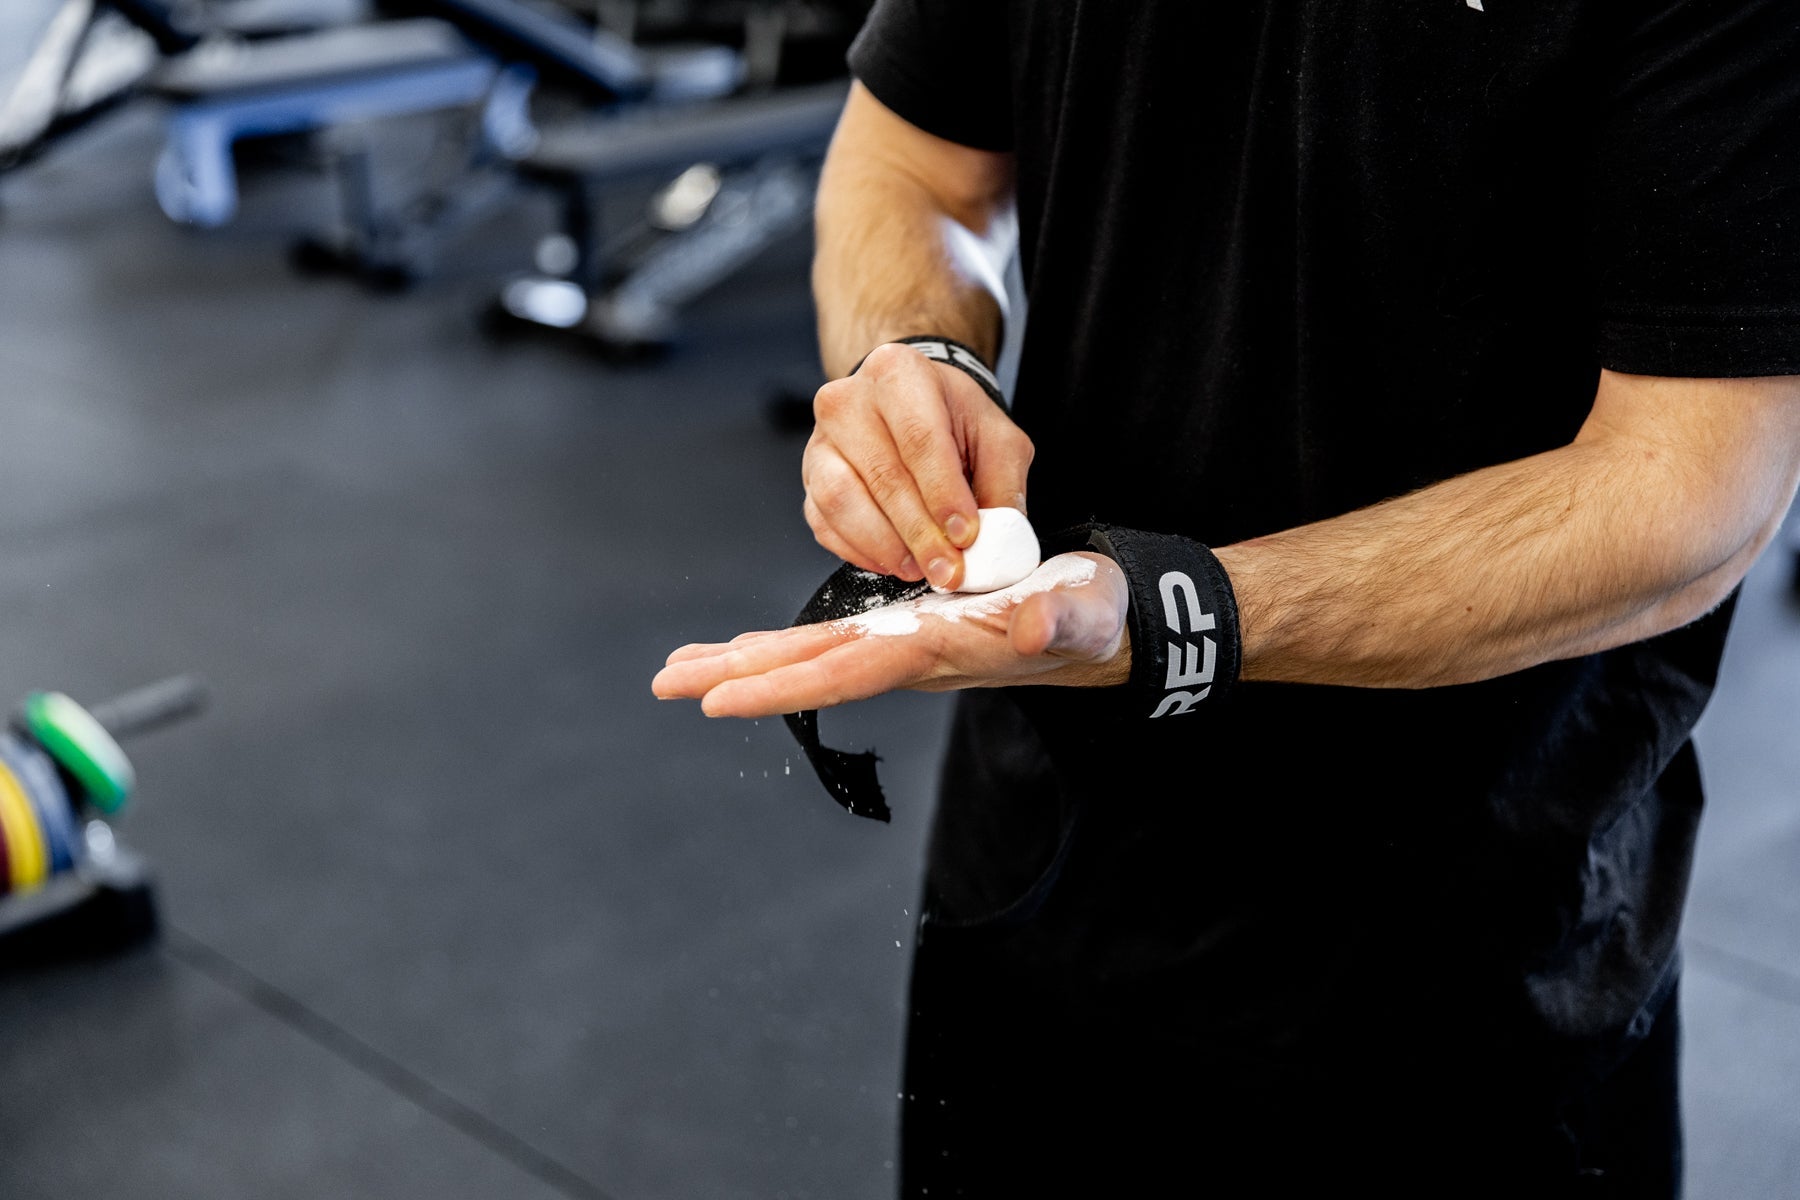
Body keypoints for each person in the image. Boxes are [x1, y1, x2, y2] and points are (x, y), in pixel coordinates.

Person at [655, 2, 1800, 1195]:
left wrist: (1168, 617)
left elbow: (1696, 484)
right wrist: (918, 363)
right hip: (1047, 842)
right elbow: (912, 165)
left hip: (1467, 934)